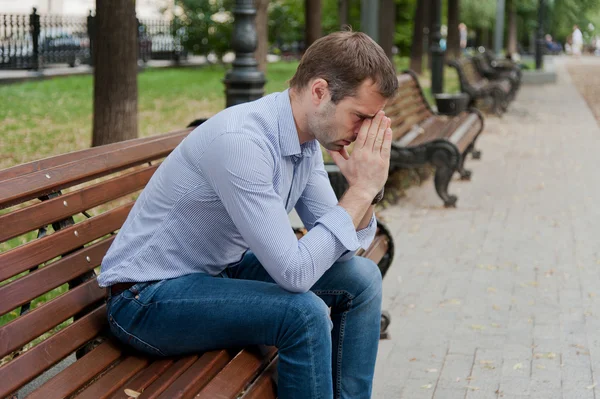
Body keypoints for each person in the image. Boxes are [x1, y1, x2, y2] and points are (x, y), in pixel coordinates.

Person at [97, 30, 398, 399]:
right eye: (359, 117)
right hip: (146, 299)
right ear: (319, 92)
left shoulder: (304, 141)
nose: (362, 132)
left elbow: (346, 249)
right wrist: (362, 191)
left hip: (214, 273)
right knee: (303, 315)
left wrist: (364, 191)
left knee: (362, 279)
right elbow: (296, 274)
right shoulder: (242, 142)